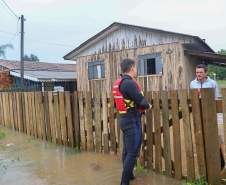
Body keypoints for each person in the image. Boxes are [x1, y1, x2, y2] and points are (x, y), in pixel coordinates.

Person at [112, 58, 151, 185]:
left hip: (124, 119)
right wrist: (148, 106)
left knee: (127, 151)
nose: (136, 70)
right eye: (135, 67)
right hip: (132, 120)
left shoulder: (119, 82)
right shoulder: (129, 83)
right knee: (132, 152)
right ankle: (124, 182)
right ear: (132, 67)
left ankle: (129, 176)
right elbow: (142, 101)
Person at [190, 64, 225, 171]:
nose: (198, 74)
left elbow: (218, 99)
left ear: (206, 73)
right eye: (197, 72)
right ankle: (209, 163)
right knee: (203, 137)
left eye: (201, 72)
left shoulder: (212, 83)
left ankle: (223, 160)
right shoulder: (192, 83)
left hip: (214, 114)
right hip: (199, 114)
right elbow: (192, 99)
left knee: (219, 137)